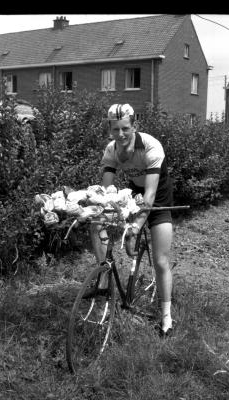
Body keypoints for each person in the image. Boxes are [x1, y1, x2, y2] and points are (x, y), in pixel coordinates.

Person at [90, 103, 173, 337]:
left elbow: (150, 196)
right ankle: (104, 277)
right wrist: (103, 212)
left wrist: (135, 226)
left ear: (134, 125)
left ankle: (166, 316)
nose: (121, 134)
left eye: (125, 128)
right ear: (109, 129)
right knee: (97, 222)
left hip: (159, 195)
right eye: (115, 129)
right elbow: (106, 192)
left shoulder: (151, 147)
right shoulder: (111, 150)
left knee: (160, 259)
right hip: (134, 191)